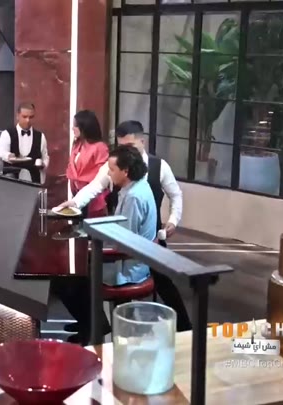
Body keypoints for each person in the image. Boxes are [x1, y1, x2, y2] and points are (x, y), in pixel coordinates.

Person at [56, 120, 191, 331]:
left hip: (143, 241)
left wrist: (173, 221)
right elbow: (94, 187)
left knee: (164, 284)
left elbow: (176, 196)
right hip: (130, 237)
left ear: (141, 142)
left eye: (128, 146)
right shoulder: (124, 173)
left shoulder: (150, 177)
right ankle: (92, 322)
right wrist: (74, 203)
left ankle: (183, 328)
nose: (109, 172)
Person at [53, 145, 156, 344]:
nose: (108, 174)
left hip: (128, 266)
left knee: (65, 278)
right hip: (128, 256)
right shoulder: (136, 187)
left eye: (111, 170)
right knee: (75, 269)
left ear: (125, 171)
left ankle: (93, 326)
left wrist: (88, 245)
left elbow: (124, 242)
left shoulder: (134, 197)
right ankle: (89, 322)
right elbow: (121, 229)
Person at [66, 110, 109, 217]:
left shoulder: (100, 147)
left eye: (75, 126)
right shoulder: (77, 144)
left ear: (84, 127)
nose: (72, 128)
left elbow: (102, 175)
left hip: (93, 196)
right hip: (76, 192)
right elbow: (71, 166)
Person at [0, 103, 50, 168]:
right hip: (12, 174)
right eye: (24, 117)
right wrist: (9, 156)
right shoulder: (7, 134)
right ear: (17, 116)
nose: (28, 120)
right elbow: (2, 153)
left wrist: (43, 164)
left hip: (33, 173)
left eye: (31, 117)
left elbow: (45, 158)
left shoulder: (41, 136)